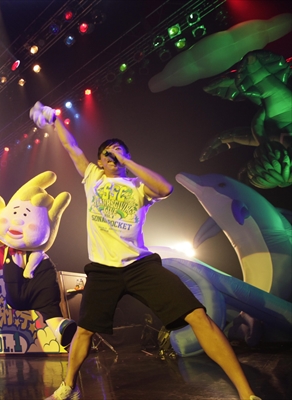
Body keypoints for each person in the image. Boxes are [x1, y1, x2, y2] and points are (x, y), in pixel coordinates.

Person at [29, 102, 260, 400]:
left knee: (197, 315)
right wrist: (55, 120)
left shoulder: (138, 185)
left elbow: (166, 189)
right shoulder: (93, 177)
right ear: (99, 161)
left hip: (140, 266)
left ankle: (246, 393)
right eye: (108, 153)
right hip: (103, 269)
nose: (113, 155)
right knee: (84, 330)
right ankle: (69, 387)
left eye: (119, 151)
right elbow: (71, 147)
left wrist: (127, 161)